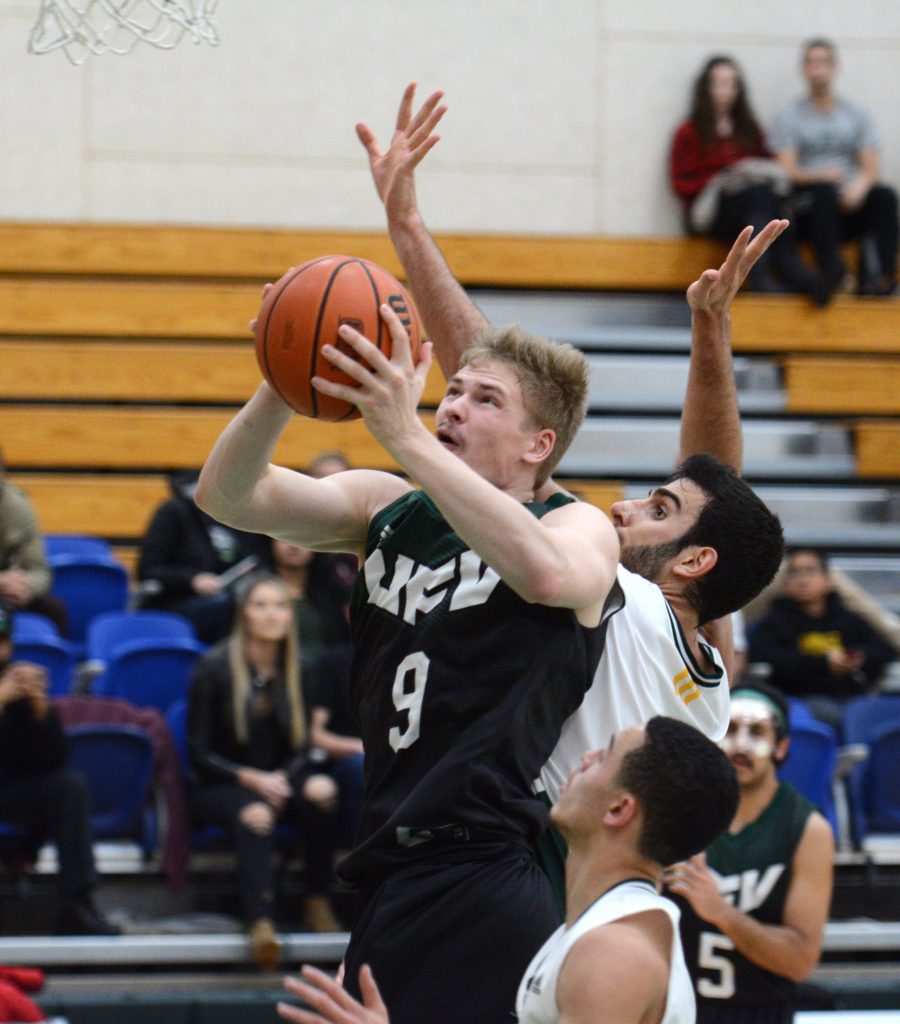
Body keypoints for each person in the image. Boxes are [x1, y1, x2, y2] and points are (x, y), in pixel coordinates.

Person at [195, 274, 621, 1019]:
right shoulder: (386, 507)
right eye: (452, 391)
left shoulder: (574, 527)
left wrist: (406, 435)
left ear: (539, 444)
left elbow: (549, 575)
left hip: (489, 862)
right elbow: (227, 496)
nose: (454, 406)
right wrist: (283, 378)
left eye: (486, 400)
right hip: (391, 863)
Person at [355, 85, 785, 814]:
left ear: (692, 560)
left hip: (544, 869)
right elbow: (501, 392)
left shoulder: (637, 603)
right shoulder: (700, 658)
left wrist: (408, 234)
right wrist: (709, 329)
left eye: (655, 509)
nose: (619, 508)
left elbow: (509, 404)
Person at [276, 717, 740, 1024]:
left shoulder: (614, 952)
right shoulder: (600, 928)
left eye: (605, 756)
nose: (584, 759)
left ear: (619, 808)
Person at [186, 573, 343, 969]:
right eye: (260, 605)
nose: (271, 614)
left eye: (279, 606)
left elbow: (306, 747)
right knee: (256, 815)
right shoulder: (214, 666)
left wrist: (283, 779)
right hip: (223, 782)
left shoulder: (303, 668)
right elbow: (199, 753)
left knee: (323, 789)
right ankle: (260, 922)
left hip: (280, 778)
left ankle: (316, 899)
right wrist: (252, 779)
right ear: (244, 615)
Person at [665, 683, 834, 1024]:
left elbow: (801, 961)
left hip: (762, 1012)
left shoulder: (808, 829)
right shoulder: (676, 810)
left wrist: (721, 912)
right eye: (730, 729)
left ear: (781, 747)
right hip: (677, 1009)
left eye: (756, 732)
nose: (740, 745)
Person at [0, 605, 118, 936]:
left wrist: (41, 713)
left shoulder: (14, 682)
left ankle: (77, 905)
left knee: (69, 786)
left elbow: (52, 761)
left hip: (8, 793)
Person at [670, 56, 821, 301]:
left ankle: (777, 268)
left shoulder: (749, 129)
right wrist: (724, 178)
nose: (724, 90)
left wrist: (746, 174)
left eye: (731, 83)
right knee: (758, 198)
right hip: (711, 213)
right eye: (718, 83)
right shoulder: (689, 132)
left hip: (753, 209)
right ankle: (775, 270)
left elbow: (766, 166)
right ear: (705, 88)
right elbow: (680, 183)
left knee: (765, 196)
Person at [770, 38, 899, 298]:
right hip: (810, 206)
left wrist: (858, 188)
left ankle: (883, 278)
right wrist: (823, 177)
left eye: (823, 62)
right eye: (812, 63)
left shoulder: (856, 114)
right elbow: (788, 171)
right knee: (823, 193)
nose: (818, 69)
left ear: (834, 67)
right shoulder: (789, 116)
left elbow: (871, 166)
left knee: (884, 196)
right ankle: (831, 272)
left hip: (849, 203)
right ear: (804, 69)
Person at [747, 548, 896, 731]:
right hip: (800, 699)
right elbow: (767, 656)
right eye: (794, 573)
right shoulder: (775, 621)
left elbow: (884, 650)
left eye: (810, 571)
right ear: (785, 583)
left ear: (828, 581)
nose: (802, 579)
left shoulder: (848, 619)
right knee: (828, 715)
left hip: (852, 697)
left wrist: (859, 658)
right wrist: (823, 664)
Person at [138, 470, 271, 644]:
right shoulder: (174, 512)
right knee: (231, 608)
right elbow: (148, 569)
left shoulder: (237, 516)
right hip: (179, 602)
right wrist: (192, 579)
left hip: (229, 594)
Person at [0, 450, 67, 636]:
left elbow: (40, 571)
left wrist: (25, 587)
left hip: (5, 596)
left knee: (54, 610)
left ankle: (53, 663)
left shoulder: (16, 506)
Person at [270, 539, 350, 657]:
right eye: (283, 538)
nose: (293, 546)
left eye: (301, 536)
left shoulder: (334, 591)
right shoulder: (255, 588)